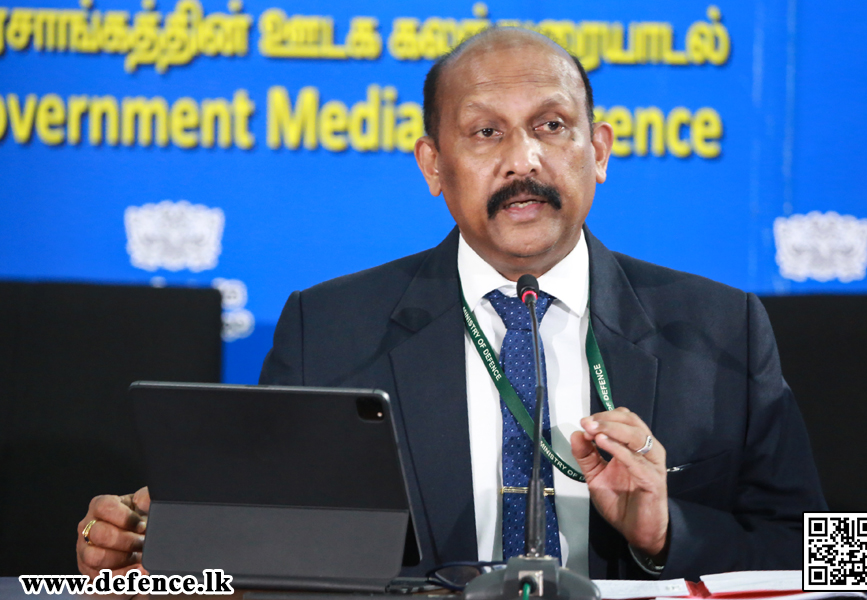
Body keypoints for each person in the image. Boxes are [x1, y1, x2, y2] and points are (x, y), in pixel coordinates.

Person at [76, 27, 827, 581]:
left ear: (597, 151)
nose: (524, 159)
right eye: (486, 132)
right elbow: (276, 557)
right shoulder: (327, 330)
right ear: (434, 165)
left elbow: (828, 558)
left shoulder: (723, 327)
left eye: (552, 126)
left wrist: (666, 532)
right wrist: (158, 547)